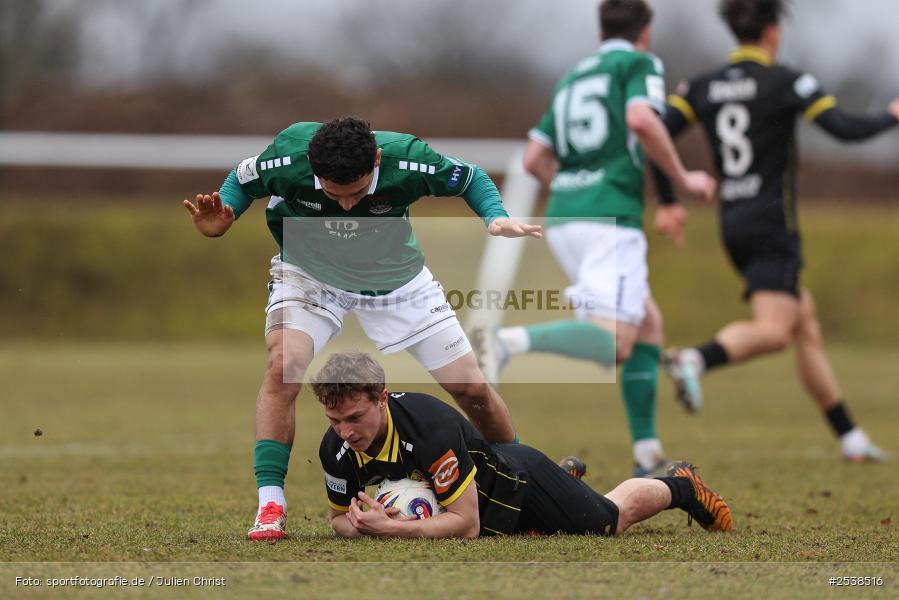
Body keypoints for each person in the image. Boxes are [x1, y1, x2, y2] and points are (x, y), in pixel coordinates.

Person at [182, 117, 542, 540]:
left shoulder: (410, 159)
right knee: (283, 365)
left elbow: (470, 178)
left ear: (376, 159)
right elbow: (241, 183)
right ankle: (270, 505)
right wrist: (224, 214)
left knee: (472, 388)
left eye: (356, 193)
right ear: (313, 170)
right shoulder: (287, 156)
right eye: (336, 195)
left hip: (395, 279)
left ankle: (528, 484)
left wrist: (494, 218)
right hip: (308, 273)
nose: (348, 205)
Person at [474, 0, 716, 477]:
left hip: (565, 218)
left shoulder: (572, 77)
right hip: (609, 218)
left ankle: (648, 453)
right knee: (619, 340)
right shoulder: (639, 63)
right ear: (645, 29)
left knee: (646, 322)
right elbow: (644, 121)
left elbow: (532, 159)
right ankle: (503, 341)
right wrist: (684, 179)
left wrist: (573, 185)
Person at [652, 0, 898, 461]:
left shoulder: (704, 85)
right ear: (772, 32)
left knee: (804, 324)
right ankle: (695, 359)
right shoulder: (786, 81)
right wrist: (891, 115)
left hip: (733, 225)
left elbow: (654, 132)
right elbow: (842, 127)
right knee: (776, 329)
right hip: (772, 225)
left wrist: (669, 199)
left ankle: (851, 438)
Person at [314, 351, 732, 538]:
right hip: (485, 497)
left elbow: (466, 525)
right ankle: (567, 481)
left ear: (382, 398)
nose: (346, 432)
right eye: (335, 421)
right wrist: (359, 526)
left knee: (610, 520)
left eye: (355, 418)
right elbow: (337, 519)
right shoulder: (334, 448)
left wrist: (391, 530)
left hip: (518, 487)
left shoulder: (429, 429)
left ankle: (681, 484)